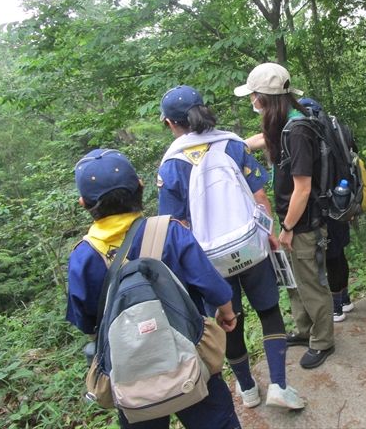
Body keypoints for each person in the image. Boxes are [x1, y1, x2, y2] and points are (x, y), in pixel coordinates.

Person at [66, 149, 241, 429]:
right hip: (189, 358)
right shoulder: (170, 231)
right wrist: (227, 312)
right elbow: (213, 287)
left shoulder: (83, 257)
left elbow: (86, 321)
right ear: (140, 187)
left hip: (130, 375)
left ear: (84, 203)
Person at [156, 86, 306, 410]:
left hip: (208, 261)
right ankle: (279, 384)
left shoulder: (170, 165)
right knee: (269, 311)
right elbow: (260, 197)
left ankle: (248, 389)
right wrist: (269, 233)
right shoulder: (231, 144)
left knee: (229, 319)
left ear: (170, 123)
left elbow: (175, 226)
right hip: (250, 247)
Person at [234, 63, 335, 369]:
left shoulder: (298, 130)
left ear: (265, 98)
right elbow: (261, 140)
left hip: (304, 223)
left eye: (254, 96)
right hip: (292, 220)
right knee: (295, 280)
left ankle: (323, 341)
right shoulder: (287, 122)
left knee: (312, 283)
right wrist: (230, 145)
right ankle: (304, 330)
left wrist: (288, 227)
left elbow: (302, 189)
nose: (252, 102)